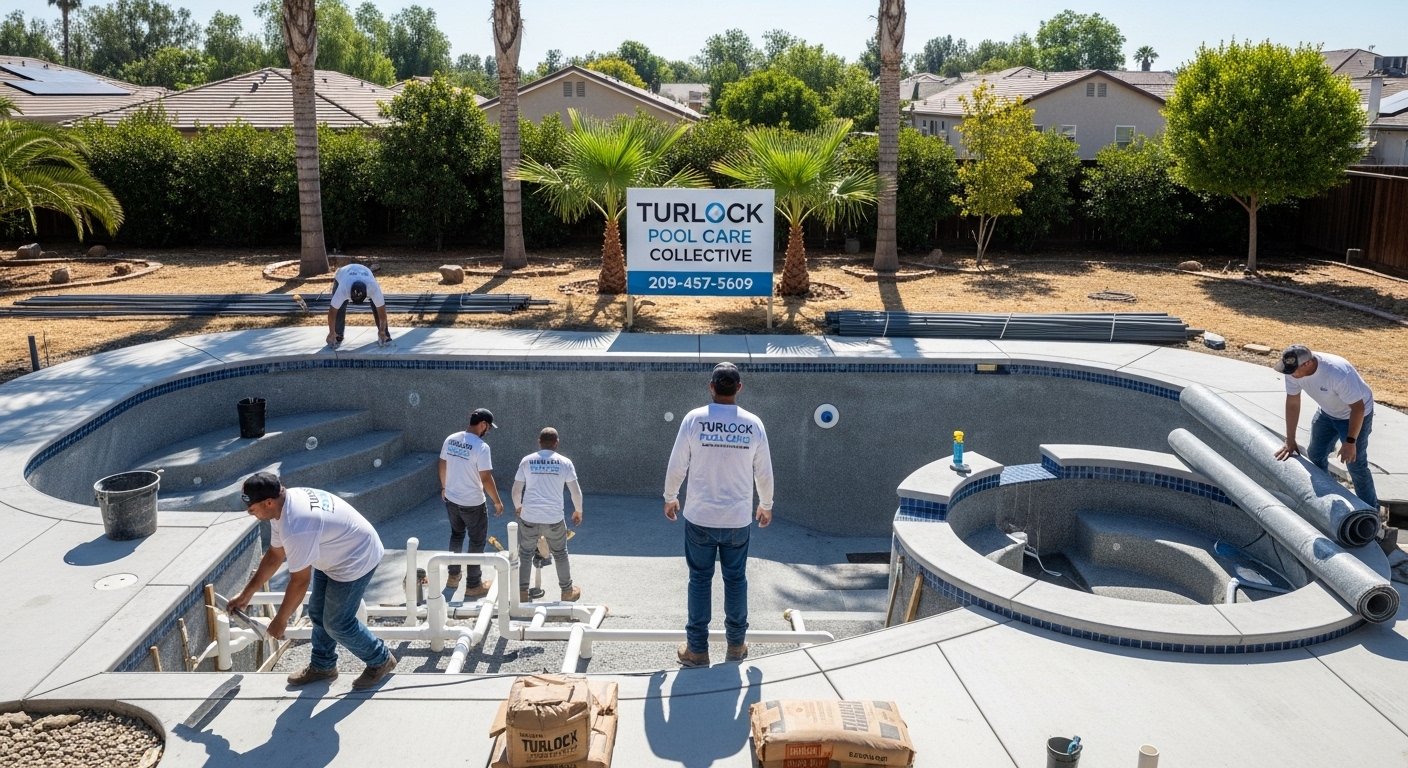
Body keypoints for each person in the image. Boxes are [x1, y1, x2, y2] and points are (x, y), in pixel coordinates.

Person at [226, 471, 397, 690]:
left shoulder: (297, 525)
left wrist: (281, 620)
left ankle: (381, 659)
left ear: (268, 502)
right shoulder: (281, 506)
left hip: (356, 558)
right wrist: (246, 595)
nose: (250, 513)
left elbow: (299, 582)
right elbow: (275, 555)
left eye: (251, 509)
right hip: (334, 551)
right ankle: (323, 666)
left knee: (338, 623)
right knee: (317, 612)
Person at [663, 362, 774, 668]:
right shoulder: (753, 424)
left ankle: (697, 651)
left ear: (711, 387)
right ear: (739, 388)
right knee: (735, 580)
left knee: (699, 580)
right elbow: (763, 471)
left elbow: (677, 464)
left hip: (699, 517)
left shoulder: (694, 419)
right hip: (737, 519)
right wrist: (766, 504)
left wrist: (670, 497)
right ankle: (736, 646)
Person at [1273, 344, 1378, 509]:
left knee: (1355, 465)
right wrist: (1290, 439)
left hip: (1356, 414)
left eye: (1293, 370)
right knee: (1315, 455)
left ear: (1308, 363)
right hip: (1327, 412)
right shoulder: (1293, 370)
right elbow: (1293, 402)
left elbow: (1358, 408)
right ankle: (1328, 497)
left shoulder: (1337, 373)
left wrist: (1350, 442)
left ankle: (1371, 511)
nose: (1290, 374)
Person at [512, 427, 584, 603]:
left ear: (539, 442)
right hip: (554, 519)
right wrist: (578, 510)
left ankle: (522, 593)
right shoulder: (565, 462)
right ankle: (567, 591)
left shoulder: (527, 461)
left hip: (529, 517)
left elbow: (516, 490)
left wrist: (518, 507)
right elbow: (575, 492)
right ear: (556, 443)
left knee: (525, 554)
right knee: (560, 553)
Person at [439, 408, 505, 598]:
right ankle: (474, 585)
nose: (488, 431)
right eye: (488, 428)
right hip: (473, 503)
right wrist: (497, 502)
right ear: (483, 424)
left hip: (451, 499)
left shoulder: (451, 439)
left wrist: (444, 487)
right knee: (476, 541)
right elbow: (486, 478)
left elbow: (442, 464)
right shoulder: (481, 447)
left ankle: (453, 577)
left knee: (456, 535)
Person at [326, 262, 391, 347]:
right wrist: (331, 332)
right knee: (340, 307)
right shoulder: (343, 288)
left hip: (365, 272)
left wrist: (382, 330)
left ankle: (384, 334)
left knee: (376, 305)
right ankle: (336, 335)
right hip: (342, 274)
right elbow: (333, 311)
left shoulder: (373, 287)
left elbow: (382, 311)